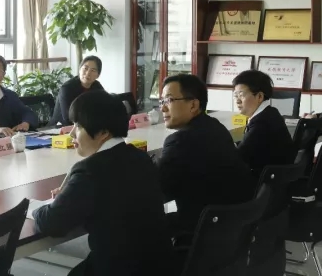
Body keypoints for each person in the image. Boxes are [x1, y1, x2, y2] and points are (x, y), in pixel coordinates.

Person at [33, 90, 172, 276]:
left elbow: (53, 223)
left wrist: (38, 209)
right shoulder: (141, 157)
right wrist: (70, 197)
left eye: (79, 126)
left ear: (103, 132)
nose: (72, 133)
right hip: (160, 266)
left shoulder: (89, 171)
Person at [155, 74, 254, 239]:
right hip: (231, 226)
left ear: (193, 105)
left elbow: (156, 188)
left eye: (169, 100)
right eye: (162, 101)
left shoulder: (180, 141)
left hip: (202, 229)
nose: (163, 108)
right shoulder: (215, 126)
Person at [232, 70, 295, 177]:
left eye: (241, 95)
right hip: (274, 178)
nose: (237, 100)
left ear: (260, 97)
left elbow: (239, 157)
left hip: (263, 181)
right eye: (235, 95)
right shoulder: (270, 112)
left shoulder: (261, 122)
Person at [51, 56, 104, 126]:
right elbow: (68, 118)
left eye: (93, 70)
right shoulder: (67, 88)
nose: (88, 73)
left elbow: (104, 109)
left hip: (86, 126)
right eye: (85, 68)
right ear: (79, 70)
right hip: (60, 127)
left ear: (98, 75)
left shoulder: (97, 87)